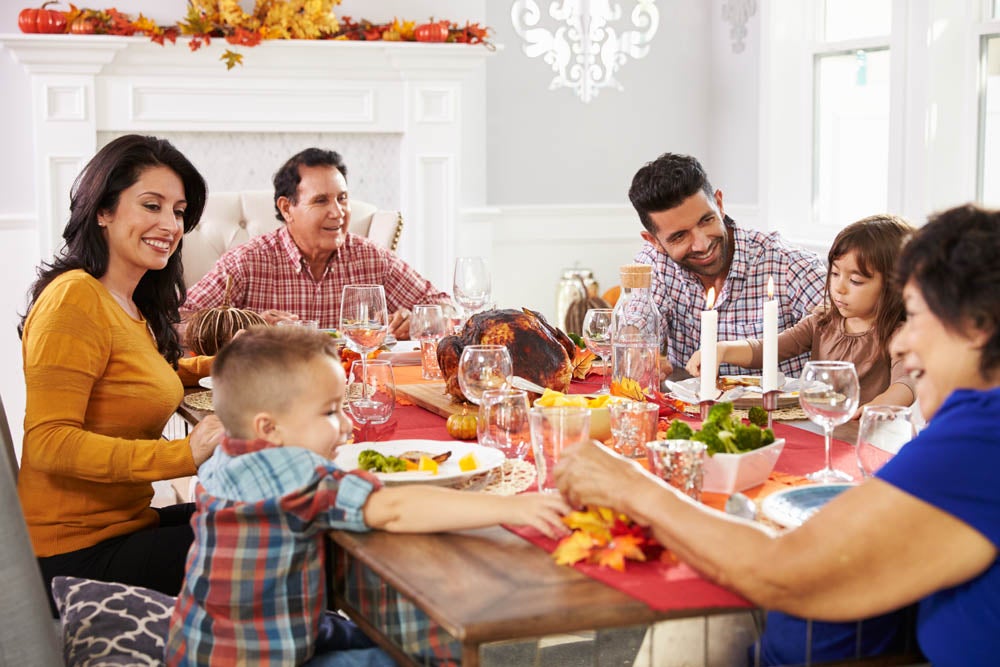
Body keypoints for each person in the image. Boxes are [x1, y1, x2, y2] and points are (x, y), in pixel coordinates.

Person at [555, 203, 1000, 666]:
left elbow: (782, 571)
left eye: (917, 315)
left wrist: (630, 486)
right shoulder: (969, 426)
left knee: (698, 621)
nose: (901, 342)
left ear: (979, 326)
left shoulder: (982, 433)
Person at [165, 325, 570, 666]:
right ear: (269, 429)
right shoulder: (297, 474)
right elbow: (392, 509)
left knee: (357, 632)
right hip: (260, 656)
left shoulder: (225, 458)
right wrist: (508, 507)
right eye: (329, 412)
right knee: (405, 655)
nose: (345, 425)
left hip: (196, 645)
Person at [17, 134, 225, 612]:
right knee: (277, 542)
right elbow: (49, 442)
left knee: (269, 516)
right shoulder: (75, 298)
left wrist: (245, 361)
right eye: (151, 205)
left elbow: (149, 375)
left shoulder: (126, 303)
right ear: (103, 211)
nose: (169, 225)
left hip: (125, 526)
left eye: (178, 211)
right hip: (74, 555)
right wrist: (184, 453)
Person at [181, 148, 450, 339]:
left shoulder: (370, 258)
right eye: (321, 201)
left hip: (357, 392)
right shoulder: (246, 262)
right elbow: (179, 322)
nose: (338, 212)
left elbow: (446, 307)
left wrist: (417, 321)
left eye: (342, 198)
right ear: (287, 208)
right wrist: (244, 324)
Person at [686, 214, 917, 412]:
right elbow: (768, 349)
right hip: (820, 426)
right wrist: (722, 349)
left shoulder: (898, 335)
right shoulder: (823, 320)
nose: (839, 287)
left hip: (865, 434)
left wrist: (877, 407)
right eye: (835, 274)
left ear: (893, 286)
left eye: (855, 280)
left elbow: (906, 385)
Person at [629, 153, 827, 378]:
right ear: (654, 241)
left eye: (706, 220)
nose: (702, 245)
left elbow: (853, 327)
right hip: (692, 411)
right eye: (680, 237)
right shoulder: (654, 263)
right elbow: (637, 318)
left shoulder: (787, 263)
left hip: (782, 411)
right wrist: (636, 349)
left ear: (720, 204)